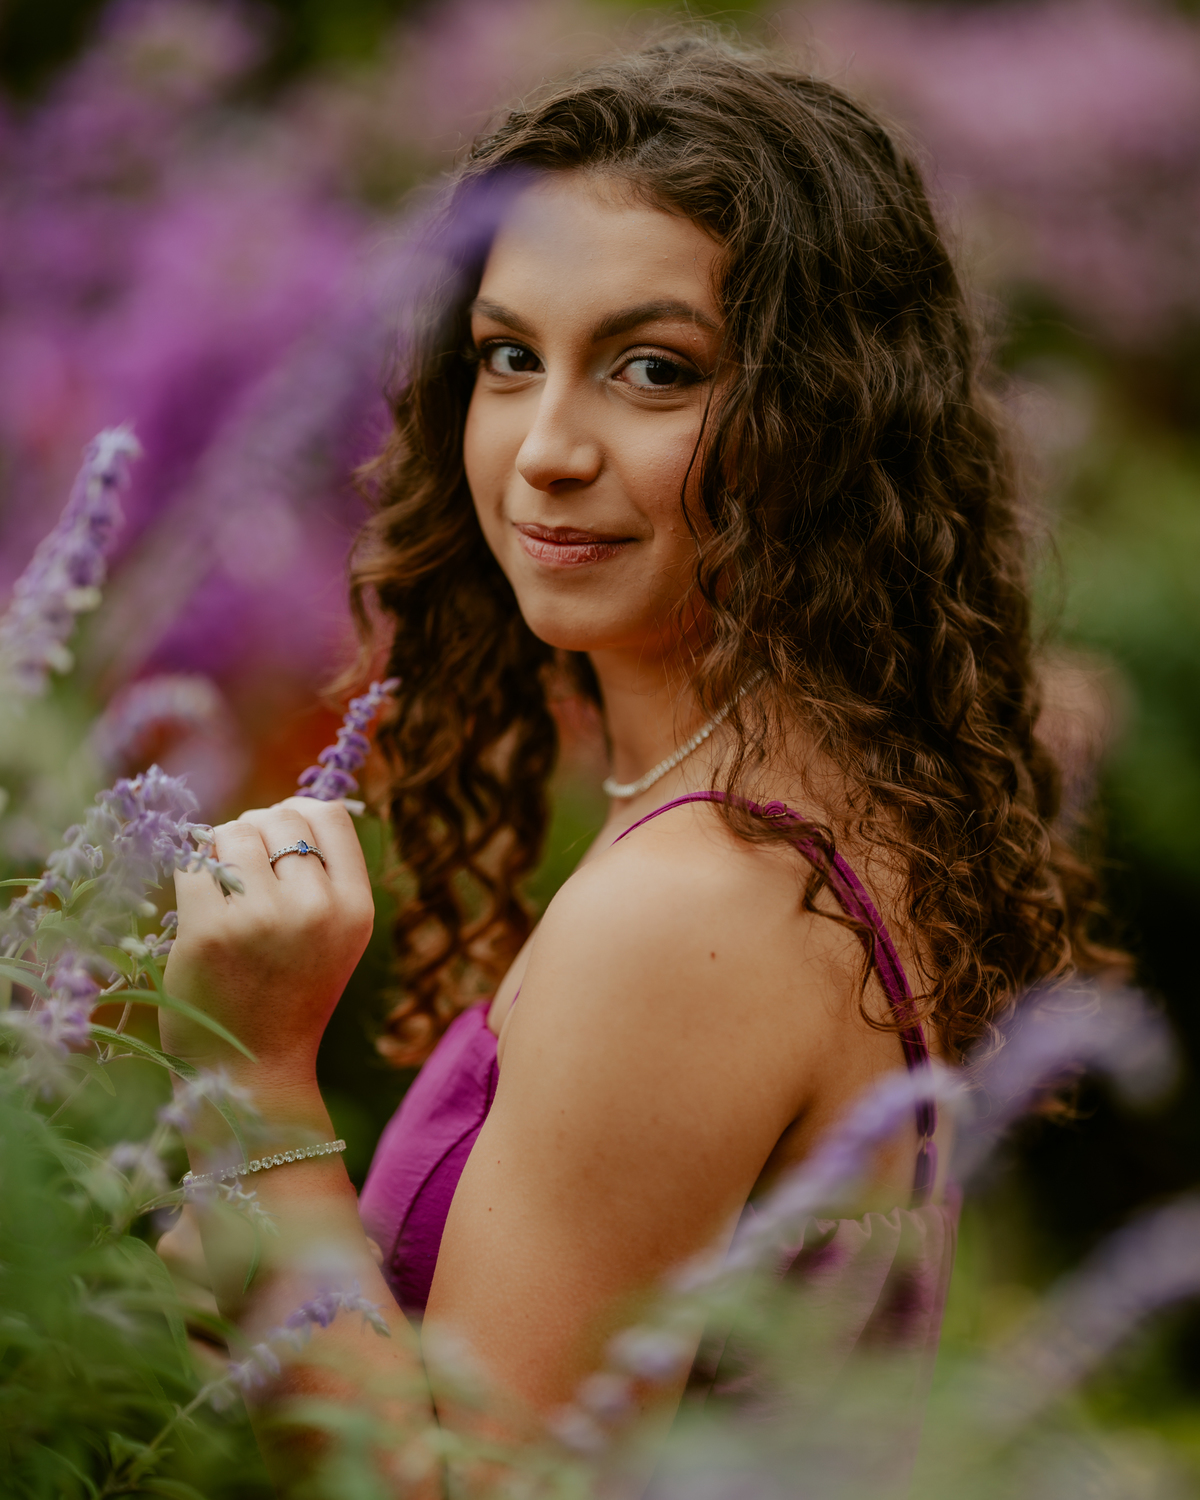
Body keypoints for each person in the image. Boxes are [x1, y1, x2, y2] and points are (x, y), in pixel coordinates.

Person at [156, 31, 1105, 1491]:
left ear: (822, 422)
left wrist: (262, 1083)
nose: (544, 447)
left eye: (652, 371)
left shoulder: (694, 906)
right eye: (508, 357)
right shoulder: (807, 810)